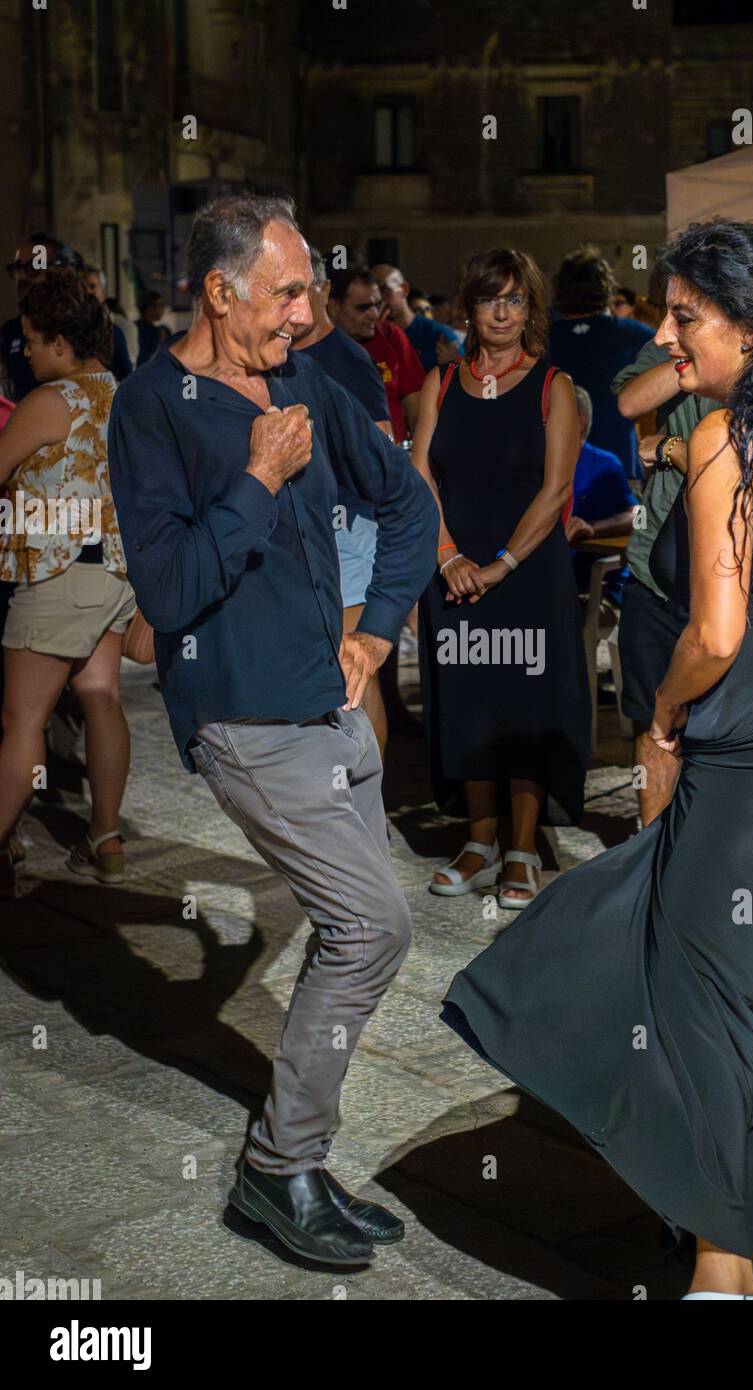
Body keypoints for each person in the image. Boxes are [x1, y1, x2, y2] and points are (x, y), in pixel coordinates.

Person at [442, 219, 753, 1299]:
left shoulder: (720, 438)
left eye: (684, 318)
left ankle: (718, 1251)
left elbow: (710, 631)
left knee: (698, 980)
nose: (666, 335)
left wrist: (661, 725)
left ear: (747, 326)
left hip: (750, 738)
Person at [108, 193, 437, 1266]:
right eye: (288, 290)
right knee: (374, 925)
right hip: (245, 715)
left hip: (333, 705)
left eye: (307, 289)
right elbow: (165, 593)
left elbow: (409, 506)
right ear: (220, 288)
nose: (306, 311)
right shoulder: (153, 404)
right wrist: (257, 478)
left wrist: (378, 633)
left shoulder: (308, 378)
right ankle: (276, 1164)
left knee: (360, 932)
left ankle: (299, 1157)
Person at [415, 247, 590, 909]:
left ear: (531, 309)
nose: (502, 311)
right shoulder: (442, 382)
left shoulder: (554, 386)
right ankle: (478, 839)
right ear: (471, 307)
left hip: (527, 573)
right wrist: (448, 555)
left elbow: (555, 491)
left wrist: (500, 566)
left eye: (515, 299)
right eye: (491, 298)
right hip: (454, 570)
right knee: (467, 706)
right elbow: (421, 473)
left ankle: (521, 847)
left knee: (526, 709)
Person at [0, 275, 135, 897]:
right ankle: (105, 838)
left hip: (57, 574)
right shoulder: (121, 394)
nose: (24, 352)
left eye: (31, 340)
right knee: (100, 693)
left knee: (22, 720)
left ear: (59, 340)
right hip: (111, 570)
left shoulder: (51, 400)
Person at [613, 336, 722, 824]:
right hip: (654, 564)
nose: (662, 328)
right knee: (652, 718)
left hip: (730, 576)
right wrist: (689, 343)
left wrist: (676, 447)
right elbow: (631, 401)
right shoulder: (672, 342)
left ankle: (699, 854)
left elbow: (729, 465)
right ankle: (649, 848)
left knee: (721, 726)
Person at [294, 246, 394, 756]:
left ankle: (368, 794)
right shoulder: (286, 354)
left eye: (300, 291)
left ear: (324, 292)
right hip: (308, 532)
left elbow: (380, 453)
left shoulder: (347, 362)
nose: (291, 306)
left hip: (348, 531)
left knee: (353, 667)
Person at [547, 245, 654, 482]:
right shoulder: (637, 336)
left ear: (558, 289)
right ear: (607, 288)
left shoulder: (540, 341)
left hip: (554, 472)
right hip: (619, 466)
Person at [329, 263, 424, 441]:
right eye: (363, 307)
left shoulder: (392, 337)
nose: (374, 314)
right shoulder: (314, 350)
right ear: (333, 306)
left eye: (376, 304)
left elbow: (417, 413)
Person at [566, 385, 636, 611]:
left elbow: (639, 517)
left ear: (580, 420)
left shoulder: (606, 464)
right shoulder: (538, 462)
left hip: (594, 585)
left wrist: (593, 528)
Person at [1, 234, 82, 401]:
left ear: (65, 270)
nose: (22, 277)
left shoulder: (91, 330)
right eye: (17, 268)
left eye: (34, 266)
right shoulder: (9, 332)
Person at [372, 264, 460, 372]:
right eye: (373, 292)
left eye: (384, 290)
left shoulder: (438, 334)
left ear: (404, 289)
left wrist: (452, 365)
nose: (378, 298)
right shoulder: (368, 334)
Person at [80, 265, 132, 383]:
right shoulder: (74, 327)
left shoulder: (120, 327)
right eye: (82, 287)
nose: (87, 291)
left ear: (103, 293)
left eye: (92, 286)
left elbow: (127, 374)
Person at [134, 291, 167, 368]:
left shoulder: (133, 326)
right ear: (150, 308)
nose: (162, 309)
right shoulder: (154, 331)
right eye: (160, 305)